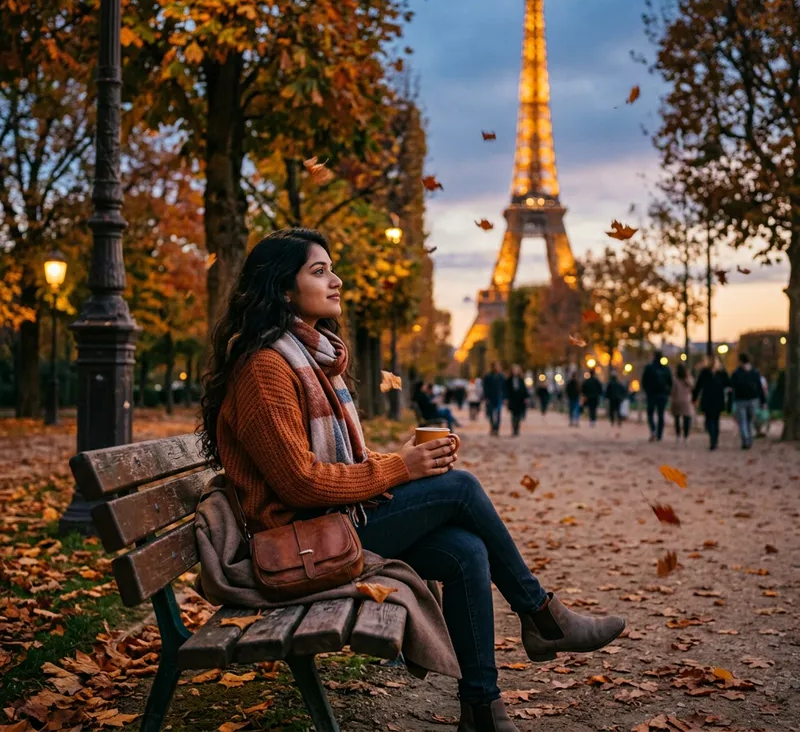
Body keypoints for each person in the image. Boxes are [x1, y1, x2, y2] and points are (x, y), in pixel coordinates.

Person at [199, 228, 626, 729]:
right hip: (299, 542)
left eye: (333, 269)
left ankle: (483, 709)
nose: (336, 281)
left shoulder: (309, 359)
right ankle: (541, 614)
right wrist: (403, 466)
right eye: (319, 271)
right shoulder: (267, 367)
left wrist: (400, 459)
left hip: (325, 525)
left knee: (466, 551)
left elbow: (322, 467)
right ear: (284, 289)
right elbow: (301, 483)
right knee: (461, 488)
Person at [730, 353, 766, 449]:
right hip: (753, 399)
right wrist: (763, 401)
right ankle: (749, 439)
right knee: (750, 421)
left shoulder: (736, 373)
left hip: (740, 400)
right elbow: (760, 388)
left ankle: (745, 439)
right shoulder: (755, 372)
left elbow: (732, 387)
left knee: (742, 421)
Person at [693, 356, 730, 450]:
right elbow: (728, 384)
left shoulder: (707, 373)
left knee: (711, 420)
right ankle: (714, 440)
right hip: (715, 399)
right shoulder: (719, 373)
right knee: (714, 420)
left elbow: (698, 386)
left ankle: (713, 440)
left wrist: (694, 398)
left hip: (710, 399)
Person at [642, 351, 673, 442]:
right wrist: (667, 393)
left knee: (650, 414)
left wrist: (647, 392)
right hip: (662, 395)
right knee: (661, 415)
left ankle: (653, 430)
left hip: (651, 395)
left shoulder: (649, 368)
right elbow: (670, 382)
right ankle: (659, 435)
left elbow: (644, 381)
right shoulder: (666, 368)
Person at [670, 363, 694, 442]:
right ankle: (686, 436)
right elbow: (692, 388)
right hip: (686, 401)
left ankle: (678, 435)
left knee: (677, 419)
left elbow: (672, 391)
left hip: (676, 401)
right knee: (686, 419)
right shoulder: (689, 379)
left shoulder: (675, 380)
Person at [483, 361, 506, 436]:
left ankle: (496, 429)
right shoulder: (488, 376)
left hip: (499, 397)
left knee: (498, 413)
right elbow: (485, 388)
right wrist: (486, 397)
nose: (497, 367)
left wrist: (504, 397)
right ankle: (492, 427)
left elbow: (504, 388)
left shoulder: (502, 376)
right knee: (490, 414)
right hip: (490, 397)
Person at [506, 364, 530, 437]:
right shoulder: (509, 380)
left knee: (519, 415)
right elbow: (506, 390)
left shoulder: (521, 379)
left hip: (520, 399)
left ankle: (517, 429)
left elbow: (524, 389)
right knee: (513, 415)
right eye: (514, 370)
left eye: (516, 370)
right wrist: (506, 398)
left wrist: (526, 397)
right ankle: (514, 429)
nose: (515, 371)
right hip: (512, 399)